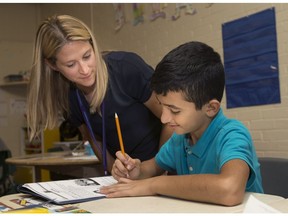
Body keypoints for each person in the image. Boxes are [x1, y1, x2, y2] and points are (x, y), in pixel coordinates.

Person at [100, 41, 264, 206]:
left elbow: (230, 190)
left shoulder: (232, 134)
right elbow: (153, 167)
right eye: (162, 106)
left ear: (211, 108)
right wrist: (135, 170)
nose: (163, 118)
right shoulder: (181, 138)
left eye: (174, 110)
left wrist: (154, 184)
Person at [26, 14, 172, 175]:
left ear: (93, 45)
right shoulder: (68, 96)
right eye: (71, 64)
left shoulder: (127, 68)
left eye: (87, 56)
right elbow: (94, 140)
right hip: (128, 177)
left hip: (164, 165)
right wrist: (115, 173)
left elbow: (171, 120)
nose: (85, 70)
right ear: (53, 65)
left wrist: (156, 167)